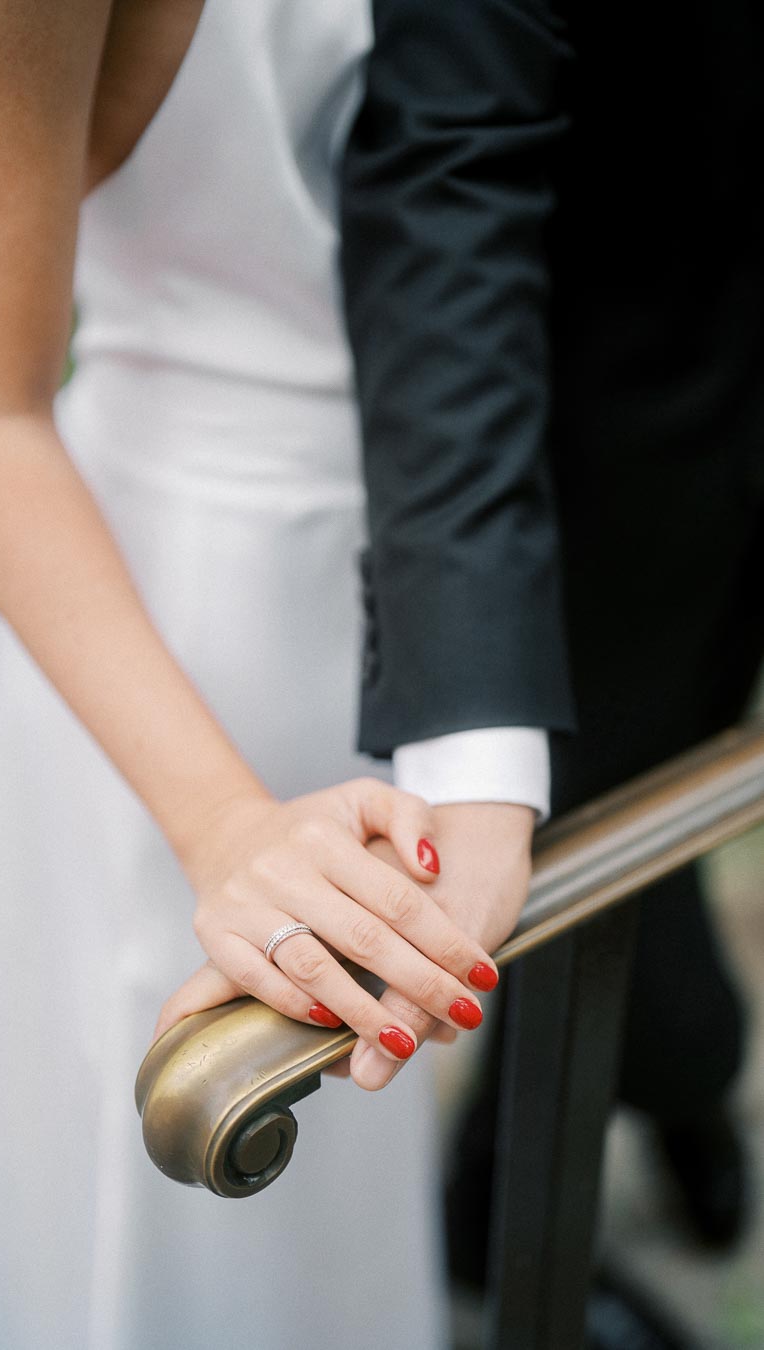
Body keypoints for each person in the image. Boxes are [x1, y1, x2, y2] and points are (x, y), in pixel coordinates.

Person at [0, 2, 549, 1348]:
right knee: (156, 1232)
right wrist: (226, 824)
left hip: (421, 580)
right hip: (173, 638)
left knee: (332, 1215)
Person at [340, 0, 764, 1341]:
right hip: (595, 473)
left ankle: (667, 1081)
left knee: (684, 792)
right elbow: (449, 175)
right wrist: (474, 720)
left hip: (728, 438)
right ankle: (598, 1133)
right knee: (584, 858)